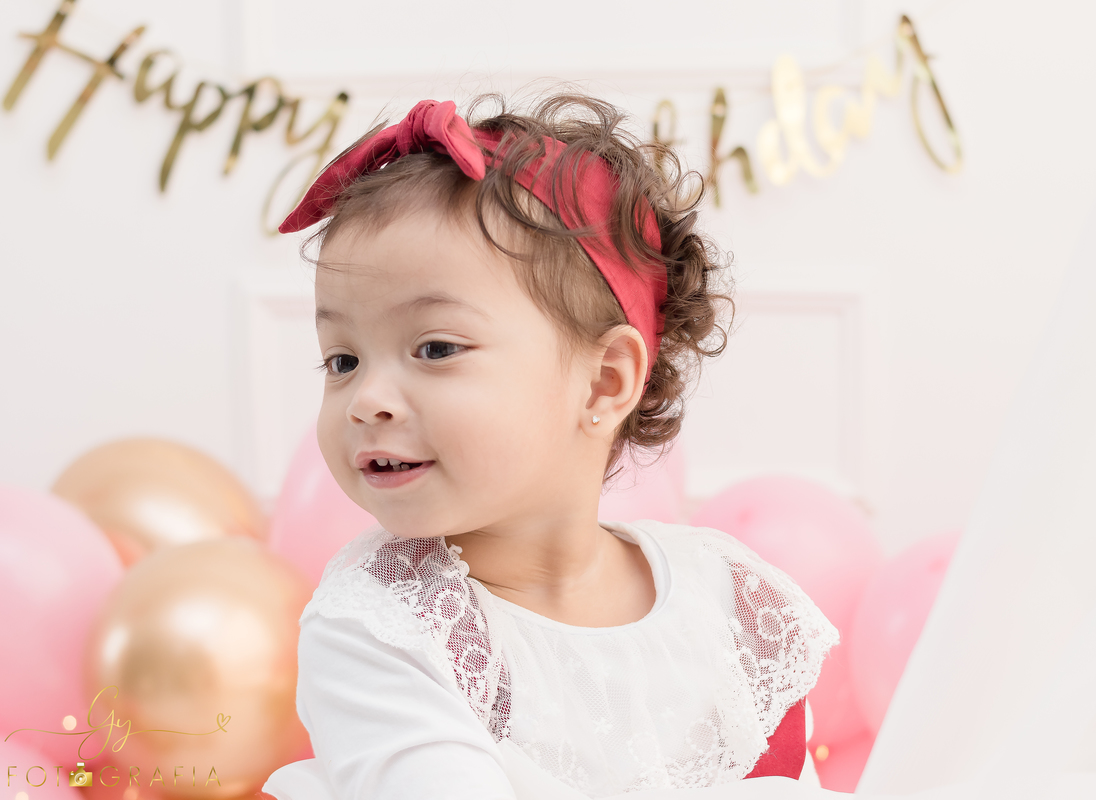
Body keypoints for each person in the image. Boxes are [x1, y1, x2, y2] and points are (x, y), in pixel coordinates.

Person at [260, 93, 838, 800]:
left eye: (435, 347)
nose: (366, 399)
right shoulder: (384, 625)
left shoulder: (724, 601)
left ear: (603, 381)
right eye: (342, 360)